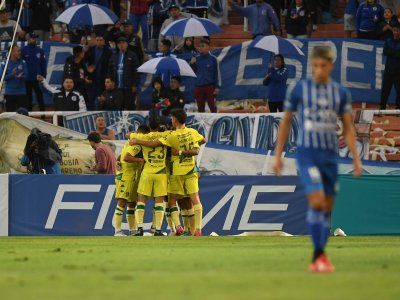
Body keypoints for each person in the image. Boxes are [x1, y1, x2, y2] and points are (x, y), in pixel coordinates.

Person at [273, 46, 362, 273]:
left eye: (323, 65)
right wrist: (278, 155)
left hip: (330, 157)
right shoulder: (301, 89)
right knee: (317, 201)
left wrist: (356, 159)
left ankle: (320, 253)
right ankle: (318, 255)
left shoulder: (340, 93)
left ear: (331, 65)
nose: (319, 70)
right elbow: (286, 121)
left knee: (328, 205)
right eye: (315, 66)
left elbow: (348, 127)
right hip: (307, 155)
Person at [131, 109, 206, 236]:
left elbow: (154, 143)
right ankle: (198, 229)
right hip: (190, 170)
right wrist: (189, 145)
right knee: (195, 199)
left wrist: (137, 140)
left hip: (176, 171)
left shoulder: (171, 135)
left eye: (172, 118)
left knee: (171, 201)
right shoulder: (192, 132)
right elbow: (202, 140)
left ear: (175, 119)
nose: (171, 120)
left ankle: (178, 227)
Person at [129, 118, 170, 236]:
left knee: (141, 201)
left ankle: (140, 229)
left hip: (147, 172)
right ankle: (157, 230)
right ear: (159, 126)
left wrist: (136, 139)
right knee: (159, 202)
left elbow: (129, 135)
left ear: (149, 126)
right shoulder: (165, 135)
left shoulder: (142, 137)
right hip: (161, 173)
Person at [113, 125, 149, 236]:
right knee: (121, 203)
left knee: (131, 204)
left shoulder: (128, 143)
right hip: (126, 177)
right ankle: (117, 231)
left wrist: (117, 161)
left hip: (131, 177)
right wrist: (140, 160)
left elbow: (121, 156)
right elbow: (126, 157)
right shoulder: (137, 146)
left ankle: (132, 230)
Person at [107, 36, 140, 110]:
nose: (121, 45)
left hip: (128, 86)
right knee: (118, 106)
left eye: (123, 43)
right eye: (119, 43)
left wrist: (134, 84)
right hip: (117, 87)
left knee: (130, 106)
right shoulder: (114, 55)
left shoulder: (132, 55)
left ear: (127, 44)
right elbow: (109, 69)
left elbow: (136, 71)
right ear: (117, 45)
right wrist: (110, 81)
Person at [190, 38, 220, 113]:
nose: (200, 48)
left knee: (213, 108)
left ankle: (215, 123)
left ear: (208, 47)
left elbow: (217, 74)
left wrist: (217, 87)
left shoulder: (213, 59)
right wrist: (192, 64)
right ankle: (202, 124)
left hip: (210, 87)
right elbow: (192, 72)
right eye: (199, 46)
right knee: (200, 109)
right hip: (198, 87)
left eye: (203, 46)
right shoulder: (196, 58)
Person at [85, 33, 112, 107]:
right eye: (97, 40)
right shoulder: (91, 49)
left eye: (101, 40)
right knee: (90, 97)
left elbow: (110, 66)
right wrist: (87, 73)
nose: (99, 41)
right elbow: (85, 61)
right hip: (92, 78)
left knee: (102, 97)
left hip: (103, 78)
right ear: (95, 41)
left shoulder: (108, 51)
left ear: (104, 41)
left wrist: (108, 77)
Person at [21, 33, 46, 112]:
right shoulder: (23, 50)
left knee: (40, 96)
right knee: (28, 97)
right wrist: (23, 75)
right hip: (27, 79)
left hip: (37, 78)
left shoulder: (40, 51)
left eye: (35, 38)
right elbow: (20, 64)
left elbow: (43, 64)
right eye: (32, 38)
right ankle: (29, 115)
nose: (34, 40)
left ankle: (43, 114)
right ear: (28, 39)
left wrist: (43, 75)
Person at [2, 44, 28, 112]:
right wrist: (12, 74)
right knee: (10, 115)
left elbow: (26, 77)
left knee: (22, 116)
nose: (20, 52)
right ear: (12, 52)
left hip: (21, 93)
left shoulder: (23, 63)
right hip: (9, 93)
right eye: (18, 51)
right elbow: (2, 78)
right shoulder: (4, 64)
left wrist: (21, 76)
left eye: (20, 51)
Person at [380, 25, 400, 110]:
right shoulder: (388, 40)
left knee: (399, 91)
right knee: (385, 91)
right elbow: (385, 52)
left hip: (398, 72)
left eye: (397, 31)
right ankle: (382, 108)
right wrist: (396, 53)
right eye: (394, 30)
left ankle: (398, 108)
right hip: (388, 71)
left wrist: (392, 52)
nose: (396, 32)